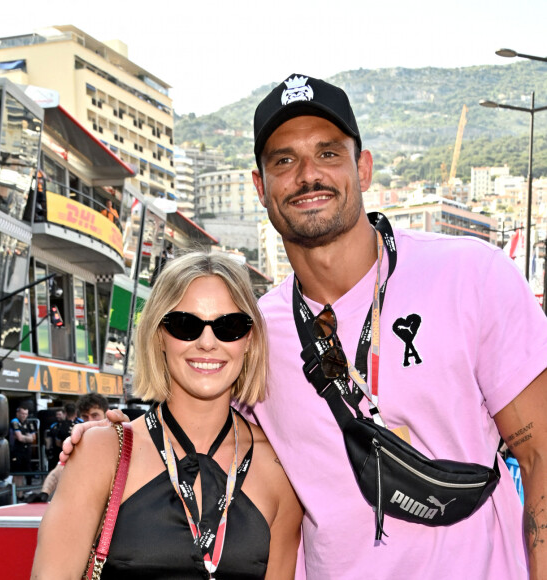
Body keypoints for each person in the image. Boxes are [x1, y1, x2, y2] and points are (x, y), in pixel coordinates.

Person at [64, 74, 547, 579]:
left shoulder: (471, 276)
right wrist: (111, 439)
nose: (307, 175)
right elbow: (203, 429)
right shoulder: (251, 332)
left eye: (328, 154)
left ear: (363, 166)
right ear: (261, 185)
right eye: (284, 160)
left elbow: (540, 457)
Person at [32, 252, 302, 579]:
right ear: (159, 334)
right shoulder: (101, 452)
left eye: (228, 326)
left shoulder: (278, 469)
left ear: (249, 340)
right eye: (185, 325)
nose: (207, 343)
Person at [27, 394, 110, 503]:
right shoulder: (77, 441)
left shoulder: (120, 438)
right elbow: (58, 472)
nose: (90, 420)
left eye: (95, 415)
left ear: (107, 413)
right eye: (85, 417)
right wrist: (44, 493)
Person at [9, 404, 37, 493]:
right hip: (16, 451)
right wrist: (28, 438)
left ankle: (26, 491)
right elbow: (19, 438)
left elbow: (34, 438)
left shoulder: (29, 423)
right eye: (22, 414)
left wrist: (26, 438)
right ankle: (17, 493)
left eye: (26, 414)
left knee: (28, 470)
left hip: (27, 451)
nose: (24, 416)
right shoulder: (14, 421)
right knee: (18, 473)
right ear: (17, 413)